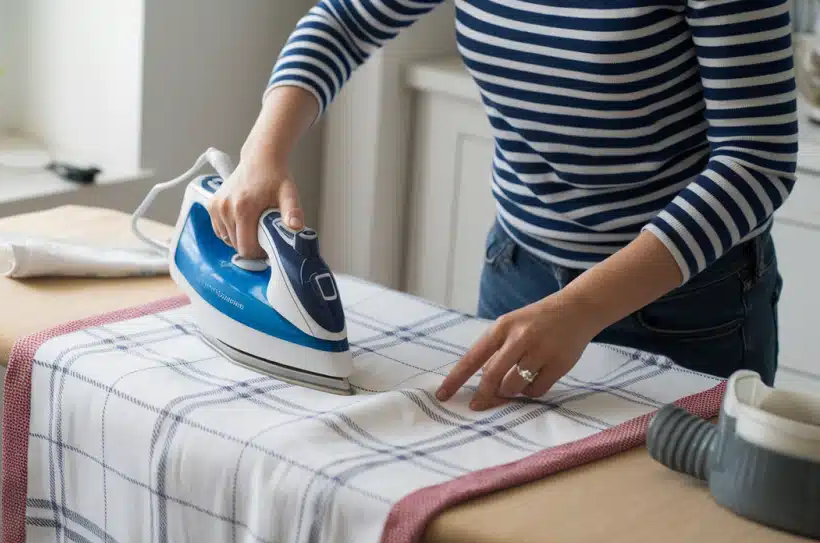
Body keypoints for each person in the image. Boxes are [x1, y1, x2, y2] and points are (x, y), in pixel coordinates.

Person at [207, 0, 796, 412]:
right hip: (520, 276)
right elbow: (343, 21)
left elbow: (757, 162)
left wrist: (582, 308)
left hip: (685, 304)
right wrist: (262, 152)